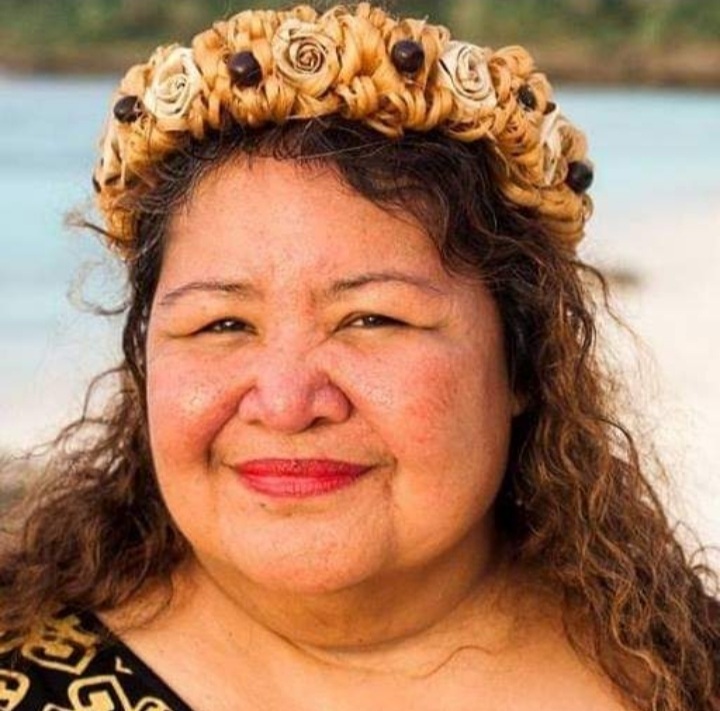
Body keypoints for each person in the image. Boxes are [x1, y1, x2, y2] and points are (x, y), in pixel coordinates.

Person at [0, 3, 717, 710]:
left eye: (372, 318)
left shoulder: (687, 672)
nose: (285, 403)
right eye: (221, 324)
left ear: (525, 360)